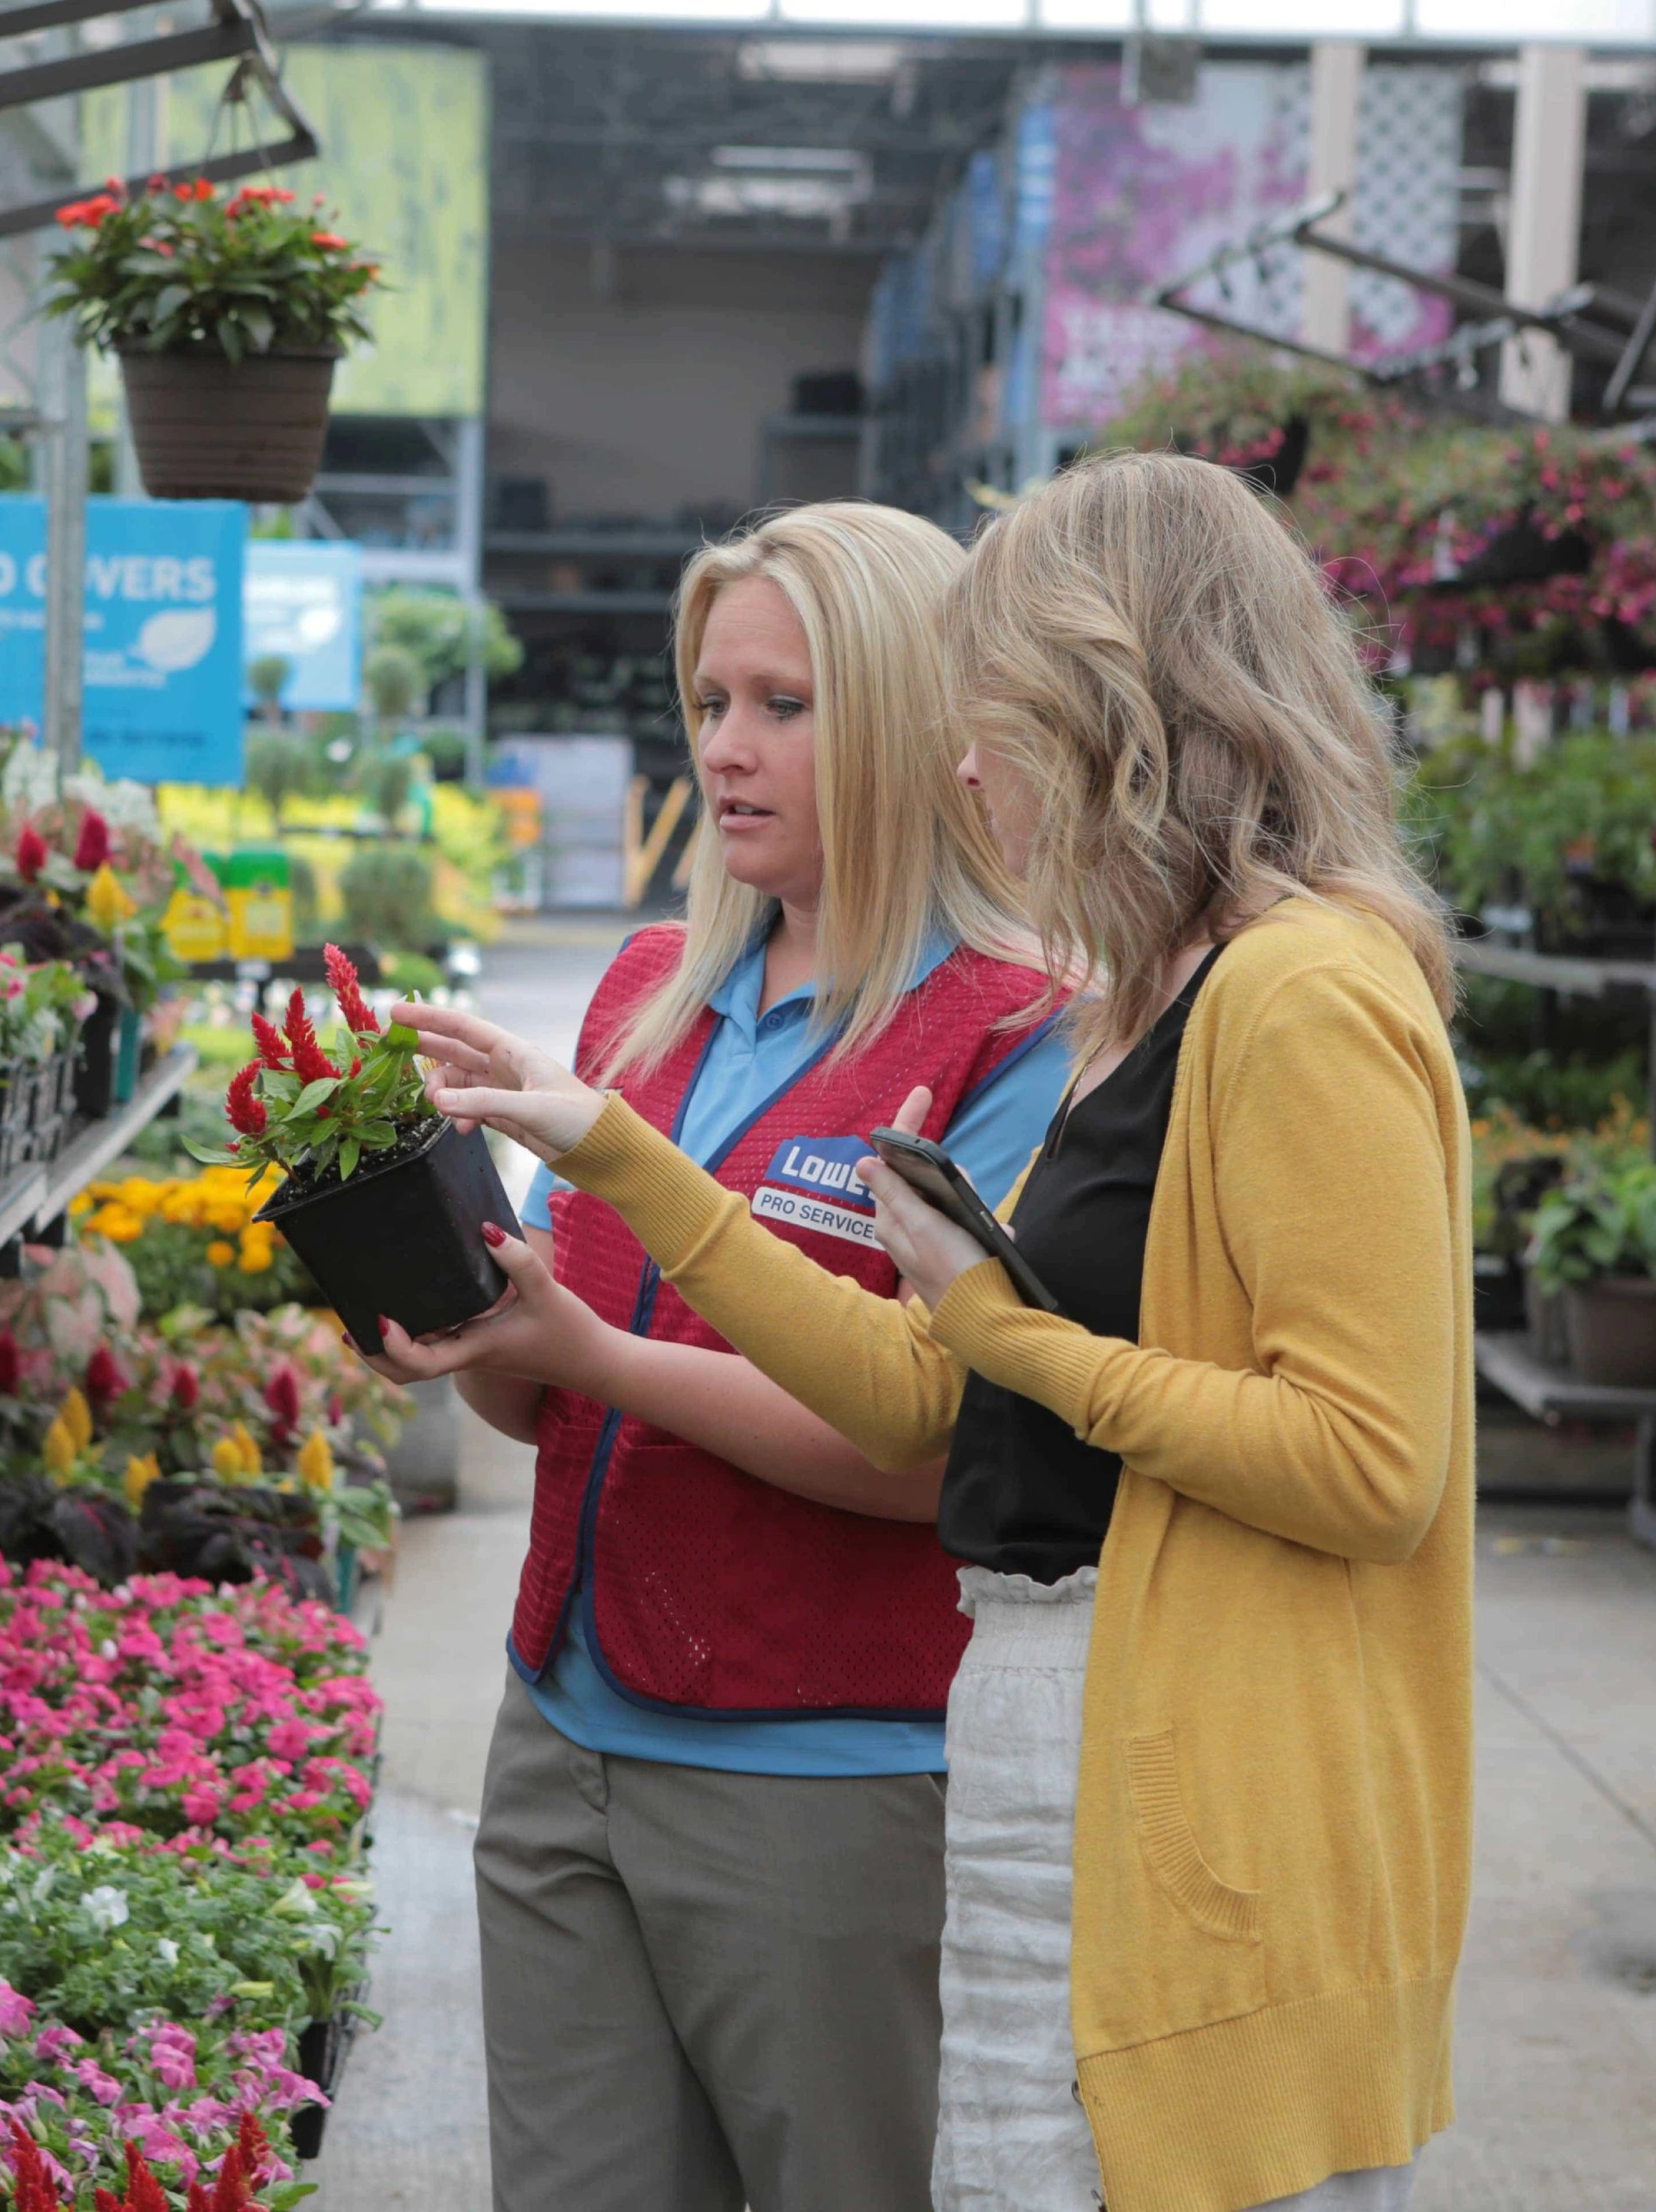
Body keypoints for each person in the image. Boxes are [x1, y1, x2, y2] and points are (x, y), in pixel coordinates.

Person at [401, 450, 1472, 2212]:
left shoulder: (1260, 994)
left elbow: (1352, 1463)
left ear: (1119, 705)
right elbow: (916, 1376)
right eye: (712, 701)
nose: (974, 764)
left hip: (1017, 1751)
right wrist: (566, 1228)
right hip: (925, 1725)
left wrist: (1015, 1342)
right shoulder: (1144, 996)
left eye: (1005, 711)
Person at [365, 500, 1073, 2212]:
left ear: (912, 717)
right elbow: (540, 1382)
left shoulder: (1014, 1031)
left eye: (787, 704)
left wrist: (588, 1351)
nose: (728, 750)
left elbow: (934, 1458)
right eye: (709, 700)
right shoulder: (647, 992)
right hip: (560, 1736)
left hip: (823, 1781)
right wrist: (457, 1310)